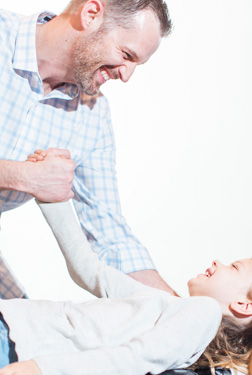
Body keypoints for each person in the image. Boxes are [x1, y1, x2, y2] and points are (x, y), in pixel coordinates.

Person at [0, 200, 252, 375]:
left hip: (16, 343)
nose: (217, 262)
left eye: (234, 266)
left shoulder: (204, 313)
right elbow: (90, 271)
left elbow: (132, 360)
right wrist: (54, 198)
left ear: (245, 305)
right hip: (13, 325)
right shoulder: (168, 307)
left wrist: (41, 369)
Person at [0, 0, 175, 299]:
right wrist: (23, 177)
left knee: (21, 336)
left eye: (137, 64)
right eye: (126, 55)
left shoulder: (92, 115)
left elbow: (112, 238)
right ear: (91, 14)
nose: (126, 75)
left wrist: (185, 314)